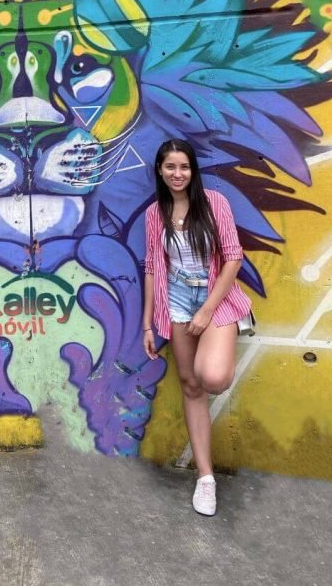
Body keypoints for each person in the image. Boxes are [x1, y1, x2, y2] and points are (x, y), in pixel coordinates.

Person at [141, 139, 252, 517]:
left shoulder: (215, 204)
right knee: (190, 385)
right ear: (159, 170)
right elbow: (153, 268)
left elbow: (233, 259)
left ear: (193, 170)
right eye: (170, 166)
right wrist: (148, 324)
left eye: (184, 167)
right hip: (175, 304)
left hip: (214, 301)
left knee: (213, 377)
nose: (177, 174)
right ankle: (206, 479)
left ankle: (228, 335)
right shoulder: (155, 214)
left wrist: (206, 310)